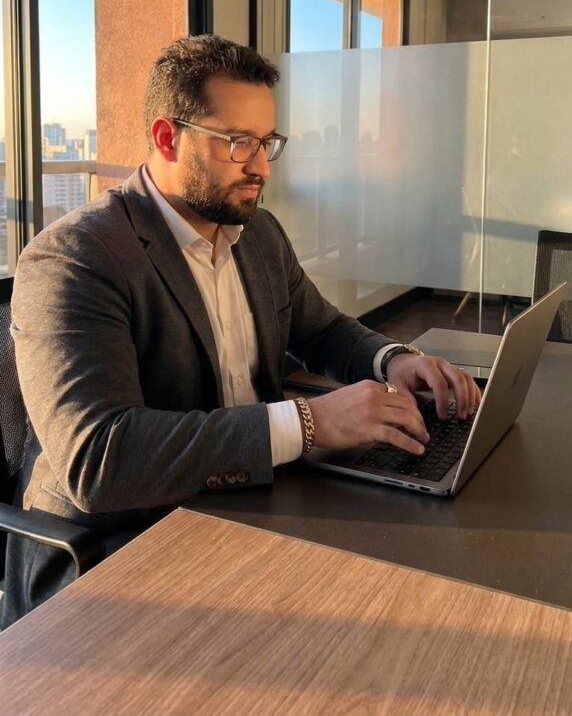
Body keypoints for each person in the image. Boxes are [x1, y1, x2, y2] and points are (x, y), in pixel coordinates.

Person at [1, 35, 480, 628]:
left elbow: (323, 329)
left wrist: (394, 360)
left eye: (267, 142)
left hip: (247, 508)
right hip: (114, 557)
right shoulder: (76, 257)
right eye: (237, 143)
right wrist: (310, 422)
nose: (261, 166)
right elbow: (100, 459)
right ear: (166, 138)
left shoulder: (259, 234)